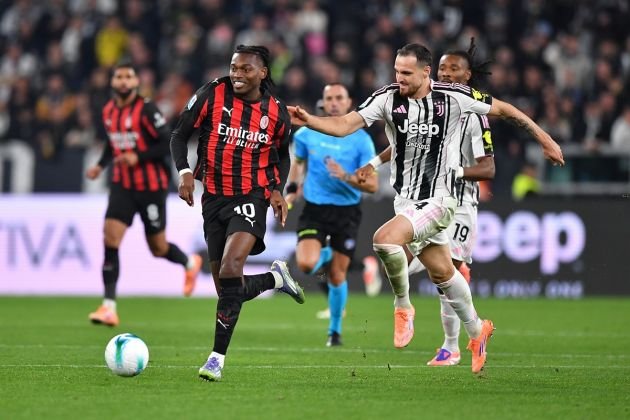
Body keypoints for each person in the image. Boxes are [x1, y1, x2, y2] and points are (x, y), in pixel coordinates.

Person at [289, 43, 564, 374]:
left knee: (384, 240)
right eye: (396, 71)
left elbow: (507, 111)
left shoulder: (455, 98)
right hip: (406, 200)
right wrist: (310, 120)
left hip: (441, 200)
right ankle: (477, 330)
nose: (400, 78)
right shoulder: (387, 98)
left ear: (425, 72)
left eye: (406, 73)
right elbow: (345, 124)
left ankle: (403, 307)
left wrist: (546, 139)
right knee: (443, 273)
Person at [170, 45, 306, 382]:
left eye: (246, 69)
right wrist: (184, 172)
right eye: (234, 67)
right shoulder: (212, 94)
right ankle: (275, 279)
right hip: (213, 199)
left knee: (232, 268)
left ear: (263, 73)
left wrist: (277, 189)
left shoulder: (276, 111)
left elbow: (282, 155)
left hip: (251, 196)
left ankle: (216, 359)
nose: (237, 74)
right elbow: (179, 134)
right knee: (227, 290)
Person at [368, 40, 496, 366]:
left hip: (460, 202)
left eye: (454, 68)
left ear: (468, 76)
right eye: (442, 68)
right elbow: (403, 143)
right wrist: (375, 163)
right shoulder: (430, 105)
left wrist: (456, 171)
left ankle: (452, 345)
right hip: (425, 197)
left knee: (448, 268)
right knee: (439, 270)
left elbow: (488, 168)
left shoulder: (473, 114)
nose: (447, 73)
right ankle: (471, 334)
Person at [86, 62, 203, 327]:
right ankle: (108, 307)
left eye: (128, 76)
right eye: (119, 77)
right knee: (110, 238)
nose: (123, 81)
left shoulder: (147, 109)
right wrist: (100, 166)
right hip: (122, 186)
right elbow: (112, 142)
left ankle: (189, 262)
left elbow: (166, 142)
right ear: (113, 82)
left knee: (158, 248)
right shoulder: (108, 110)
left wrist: (137, 156)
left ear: (136, 82)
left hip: (151, 188)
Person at [285, 83, 379, 347]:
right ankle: (340, 258)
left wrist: (346, 176)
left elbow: (372, 185)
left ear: (349, 103)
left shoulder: (361, 140)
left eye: (339, 98)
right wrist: (291, 191)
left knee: (337, 275)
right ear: (323, 103)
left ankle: (334, 332)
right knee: (306, 265)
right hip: (315, 209)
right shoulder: (305, 134)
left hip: (347, 212)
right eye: (330, 98)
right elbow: (298, 164)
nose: (334, 102)